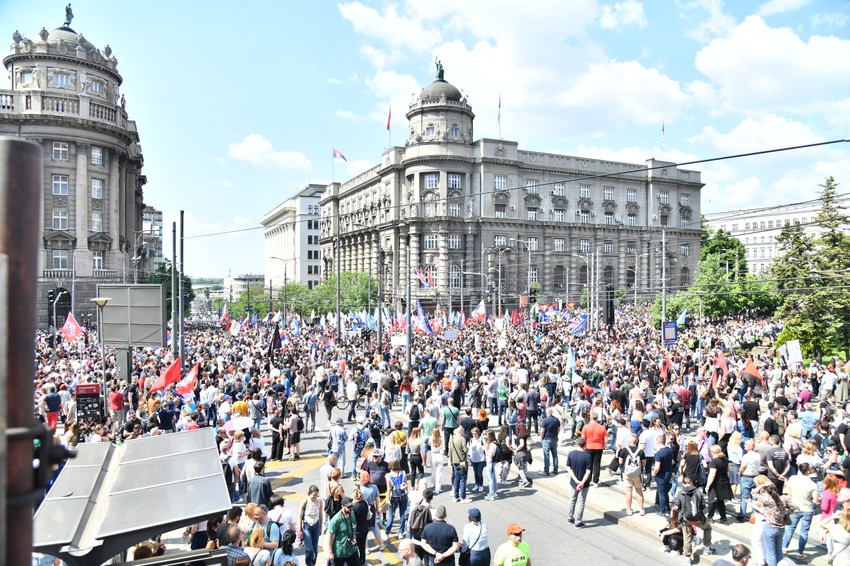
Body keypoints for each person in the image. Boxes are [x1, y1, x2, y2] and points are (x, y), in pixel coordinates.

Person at [671, 476, 715, 565]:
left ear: (683, 483)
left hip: (686, 519)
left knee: (687, 537)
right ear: (692, 482)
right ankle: (707, 548)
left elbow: (677, 507)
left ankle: (687, 558)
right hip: (698, 518)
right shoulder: (698, 492)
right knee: (707, 528)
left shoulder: (680, 493)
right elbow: (703, 506)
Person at [782, 462, 819, 559]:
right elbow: (815, 500)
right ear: (808, 471)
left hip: (794, 508)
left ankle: (784, 548)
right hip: (807, 510)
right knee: (804, 532)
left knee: (790, 529)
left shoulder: (793, 478)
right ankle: (800, 552)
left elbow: (789, 494)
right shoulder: (812, 484)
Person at [566, 436, 593, 528]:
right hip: (584, 484)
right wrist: (582, 482)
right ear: (584, 445)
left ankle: (570, 517)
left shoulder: (571, 454)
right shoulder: (587, 456)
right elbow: (588, 472)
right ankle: (578, 521)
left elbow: (568, 468)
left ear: (577, 443)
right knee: (581, 502)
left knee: (572, 500)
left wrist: (576, 480)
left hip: (573, 482)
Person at [326, 496, 359, 566]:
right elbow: (329, 536)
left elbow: (354, 529)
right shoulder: (336, 519)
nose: (351, 508)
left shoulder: (352, 513)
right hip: (340, 552)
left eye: (351, 506)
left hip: (352, 549)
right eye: (348, 507)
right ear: (342, 506)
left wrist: (356, 546)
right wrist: (330, 552)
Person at [618, 433, 646, 516]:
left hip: (627, 473)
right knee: (639, 491)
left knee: (628, 491)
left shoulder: (624, 450)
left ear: (630, 441)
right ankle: (641, 509)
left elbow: (620, 462)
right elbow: (644, 463)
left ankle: (629, 509)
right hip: (637, 474)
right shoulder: (640, 451)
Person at [705, 444, 732, 523]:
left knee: (712, 500)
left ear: (713, 452)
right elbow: (729, 469)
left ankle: (710, 517)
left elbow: (712, 475)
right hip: (724, 482)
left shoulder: (714, 462)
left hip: (715, 483)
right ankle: (723, 518)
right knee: (720, 501)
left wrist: (707, 486)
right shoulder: (725, 459)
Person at [298, 485, 323, 566]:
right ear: (309, 494)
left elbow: (321, 514)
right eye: (313, 495)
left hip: (316, 525)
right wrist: (300, 529)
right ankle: (308, 564)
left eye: (316, 495)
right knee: (309, 549)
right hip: (307, 525)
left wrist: (321, 528)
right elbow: (300, 515)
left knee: (315, 549)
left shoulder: (319, 501)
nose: (315, 497)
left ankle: (313, 563)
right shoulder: (304, 502)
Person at [652, 433, 675, 516]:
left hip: (661, 475)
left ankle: (663, 511)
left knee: (662, 493)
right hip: (668, 474)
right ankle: (667, 509)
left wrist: (654, 473)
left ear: (658, 440)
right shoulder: (669, 450)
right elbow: (672, 462)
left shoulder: (659, 453)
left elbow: (657, 467)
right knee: (665, 493)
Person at [581, 412, 607, 485]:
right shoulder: (602, 427)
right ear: (597, 418)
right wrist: (603, 446)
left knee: (589, 464)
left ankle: (588, 480)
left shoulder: (586, 427)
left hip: (588, 447)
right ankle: (595, 481)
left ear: (590, 418)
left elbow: (583, 438)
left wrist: (583, 447)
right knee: (597, 464)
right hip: (599, 447)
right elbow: (606, 439)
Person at [448, 426, 471, 503]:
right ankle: (463, 497)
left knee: (456, 479)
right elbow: (465, 450)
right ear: (460, 432)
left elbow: (450, 451)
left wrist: (450, 461)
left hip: (454, 461)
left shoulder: (452, 439)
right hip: (462, 462)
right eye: (463, 432)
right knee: (463, 478)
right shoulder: (462, 439)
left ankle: (456, 496)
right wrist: (467, 448)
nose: (464, 433)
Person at [540, 407, 560, 476]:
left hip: (546, 439)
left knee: (546, 455)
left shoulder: (545, 420)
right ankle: (555, 469)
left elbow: (542, 431)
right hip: (554, 438)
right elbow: (558, 429)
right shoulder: (556, 420)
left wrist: (542, 438)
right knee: (555, 454)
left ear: (547, 413)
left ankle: (546, 471)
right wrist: (556, 436)